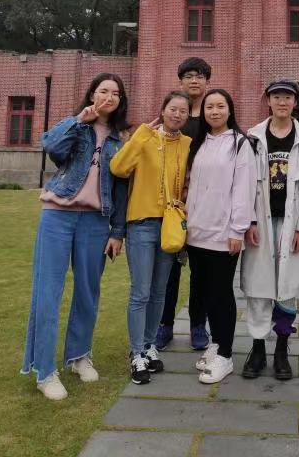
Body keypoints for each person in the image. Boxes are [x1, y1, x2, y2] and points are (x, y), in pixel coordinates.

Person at [21, 73, 129, 401]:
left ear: (121, 100)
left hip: (96, 221)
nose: (109, 97)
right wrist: (79, 119)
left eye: (115, 93)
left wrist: (117, 232)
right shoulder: (77, 124)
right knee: (47, 292)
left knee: (87, 291)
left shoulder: (120, 139)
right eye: (103, 91)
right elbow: (51, 145)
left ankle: (79, 356)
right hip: (58, 214)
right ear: (92, 94)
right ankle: (44, 371)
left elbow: (122, 188)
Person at [110, 91, 192, 385]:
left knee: (159, 292)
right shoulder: (145, 138)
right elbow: (118, 168)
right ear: (163, 110)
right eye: (173, 108)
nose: (177, 114)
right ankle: (136, 353)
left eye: (183, 111)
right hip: (142, 224)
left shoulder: (186, 144)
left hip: (170, 226)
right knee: (140, 292)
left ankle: (148, 345)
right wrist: (141, 134)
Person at [240, 79, 299, 381]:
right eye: (276, 97)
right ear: (268, 101)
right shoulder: (253, 138)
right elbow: (245, 183)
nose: (282, 102)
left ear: (295, 102)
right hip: (261, 220)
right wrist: (249, 221)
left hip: (291, 222)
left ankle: (282, 347)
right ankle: (258, 347)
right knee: (259, 287)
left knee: (286, 288)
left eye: (287, 97)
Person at [185, 89, 257, 384]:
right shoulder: (199, 142)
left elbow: (244, 188)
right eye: (209, 107)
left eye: (220, 106)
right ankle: (215, 344)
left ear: (230, 110)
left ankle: (226, 355)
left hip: (223, 233)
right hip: (196, 232)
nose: (214, 111)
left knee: (221, 292)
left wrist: (238, 229)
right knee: (203, 291)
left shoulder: (240, 144)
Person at [156, 57, 211, 352]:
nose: (194, 80)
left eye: (200, 76)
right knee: (170, 267)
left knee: (201, 269)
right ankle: (165, 324)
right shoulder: (173, 115)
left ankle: (198, 325)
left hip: (203, 201)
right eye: (189, 75)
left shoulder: (212, 115)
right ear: (181, 81)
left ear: (207, 82)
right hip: (172, 203)